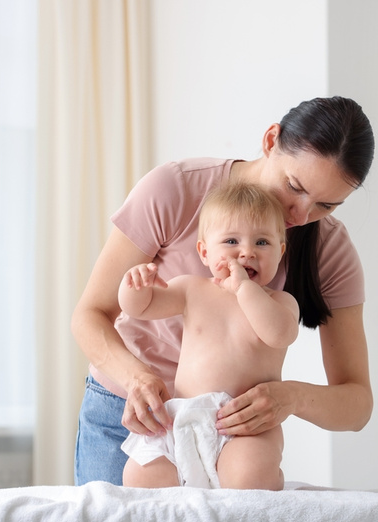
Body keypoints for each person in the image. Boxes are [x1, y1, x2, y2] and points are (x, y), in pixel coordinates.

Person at [71, 96, 375, 486]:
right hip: (135, 415)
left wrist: (290, 397)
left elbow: (357, 404)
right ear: (270, 140)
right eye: (294, 186)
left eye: (326, 205)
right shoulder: (176, 189)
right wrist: (136, 379)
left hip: (229, 430)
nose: (299, 216)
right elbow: (90, 314)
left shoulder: (328, 250)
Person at [118, 182, 298, 490]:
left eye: (263, 242)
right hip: (182, 419)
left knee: (249, 477)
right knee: (139, 477)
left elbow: (280, 334)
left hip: (244, 425)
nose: (247, 252)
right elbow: (141, 307)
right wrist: (133, 285)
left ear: (280, 251)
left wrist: (244, 289)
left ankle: (271, 481)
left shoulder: (280, 303)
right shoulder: (192, 289)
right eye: (231, 241)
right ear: (204, 252)